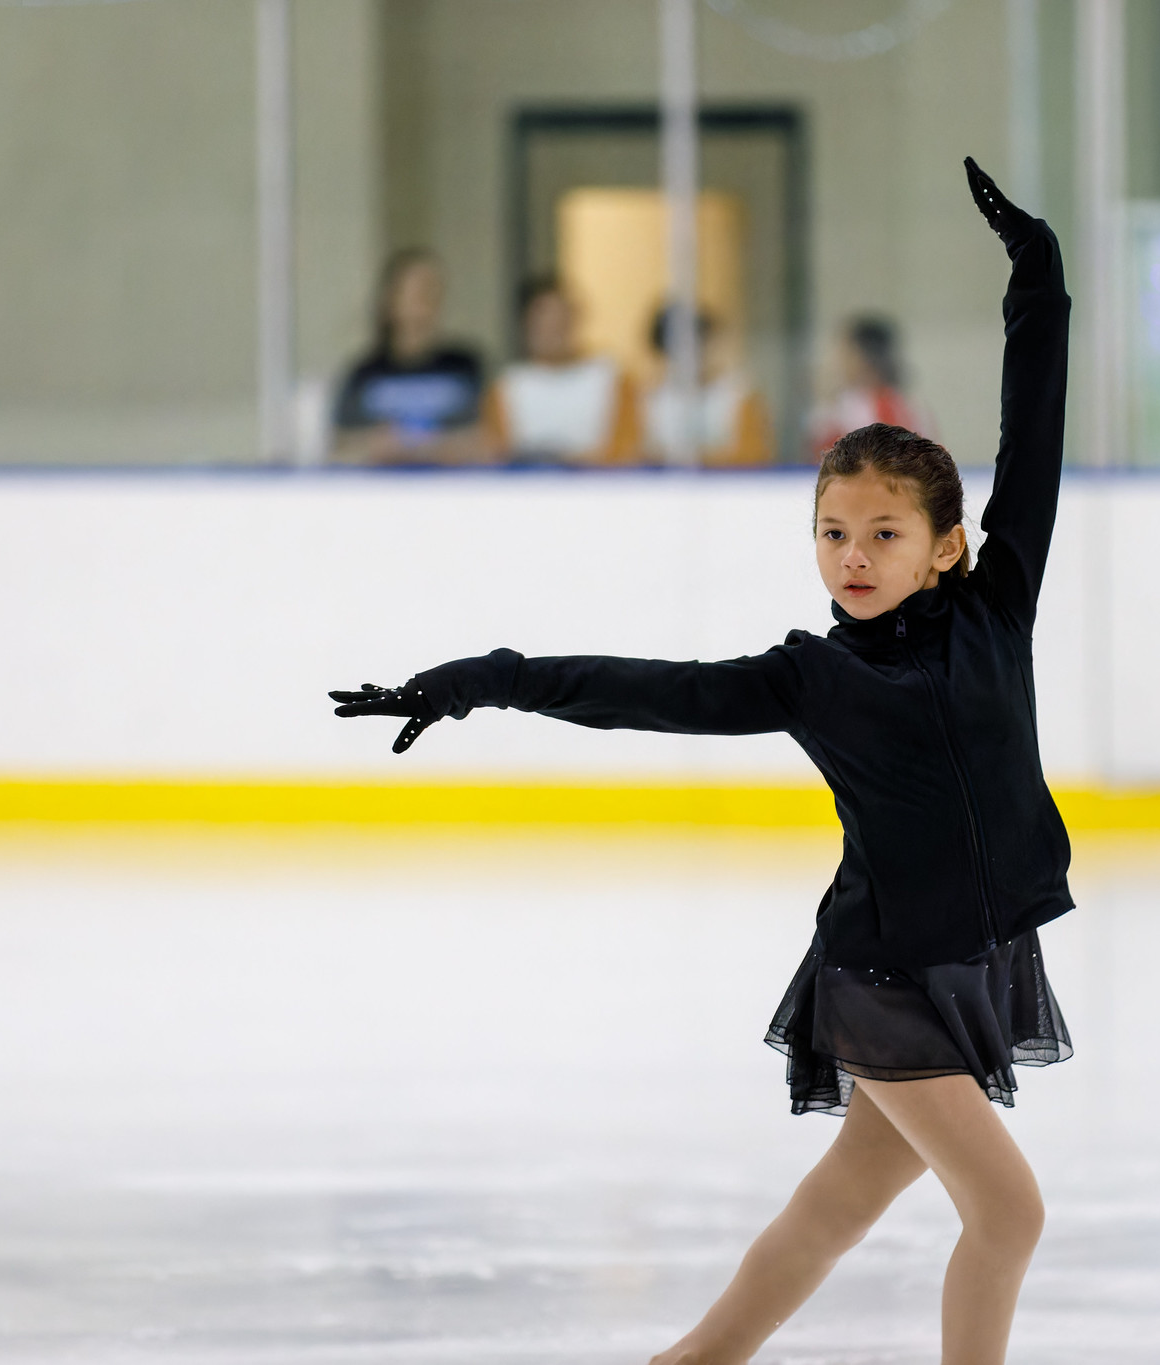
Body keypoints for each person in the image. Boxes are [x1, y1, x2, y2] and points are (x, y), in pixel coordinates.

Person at [331, 159, 1071, 1365]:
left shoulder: (999, 608)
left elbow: (1031, 428)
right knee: (1007, 1210)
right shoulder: (811, 676)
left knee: (839, 1203)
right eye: (831, 533)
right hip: (884, 974)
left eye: (883, 534)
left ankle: (691, 1361)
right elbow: (633, 693)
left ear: (947, 547)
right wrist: (480, 679)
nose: (851, 556)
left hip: (973, 959)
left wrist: (1036, 278)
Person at [330, 249, 486, 465]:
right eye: (416, 291)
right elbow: (340, 447)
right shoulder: (364, 375)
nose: (425, 301)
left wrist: (433, 448)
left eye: (432, 290)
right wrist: (373, 446)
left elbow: (488, 441)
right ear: (391, 299)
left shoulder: (465, 367)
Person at [484, 274, 642, 465]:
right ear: (526, 324)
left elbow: (626, 450)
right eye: (542, 320)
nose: (552, 329)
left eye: (560, 319)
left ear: (575, 319)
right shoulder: (506, 388)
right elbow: (499, 454)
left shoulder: (613, 379)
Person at [642, 304, 774, 466]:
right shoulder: (652, 398)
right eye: (672, 354)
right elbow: (637, 458)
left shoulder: (739, 395)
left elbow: (754, 456)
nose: (685, 362)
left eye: (695, 348)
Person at [808, 313, 934, 456]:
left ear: (863, 357)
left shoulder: (859, 407)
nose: (839, 362)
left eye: (845, 353)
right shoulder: (912, 406)